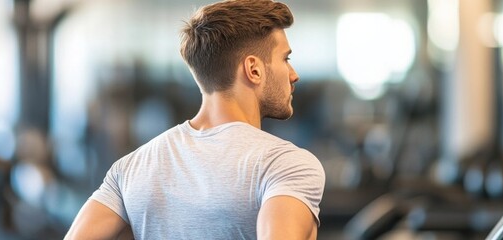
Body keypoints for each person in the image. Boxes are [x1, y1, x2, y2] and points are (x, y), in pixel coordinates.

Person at [65, 0, 325, 239]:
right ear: (253, 69)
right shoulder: (285, 165)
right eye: (285, 59)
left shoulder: (130, 168)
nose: (294, 74)